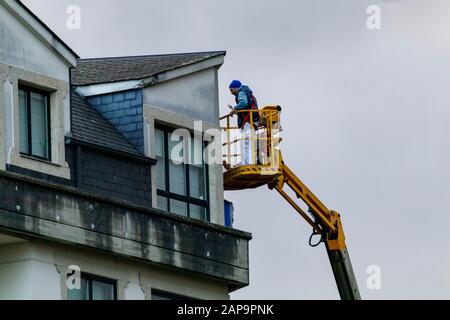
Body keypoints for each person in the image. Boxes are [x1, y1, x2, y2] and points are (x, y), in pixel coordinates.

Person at [228, 80, 260, 165]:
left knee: (245, 141)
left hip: (247, 121)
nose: (231, 92)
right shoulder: (247, 92)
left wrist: (235, 108)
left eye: (231, 90)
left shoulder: (241, 92)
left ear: (236, 88)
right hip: (251, 120)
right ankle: (247, 161)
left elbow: (243, 102)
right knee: (247, 141)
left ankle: (247, 162)